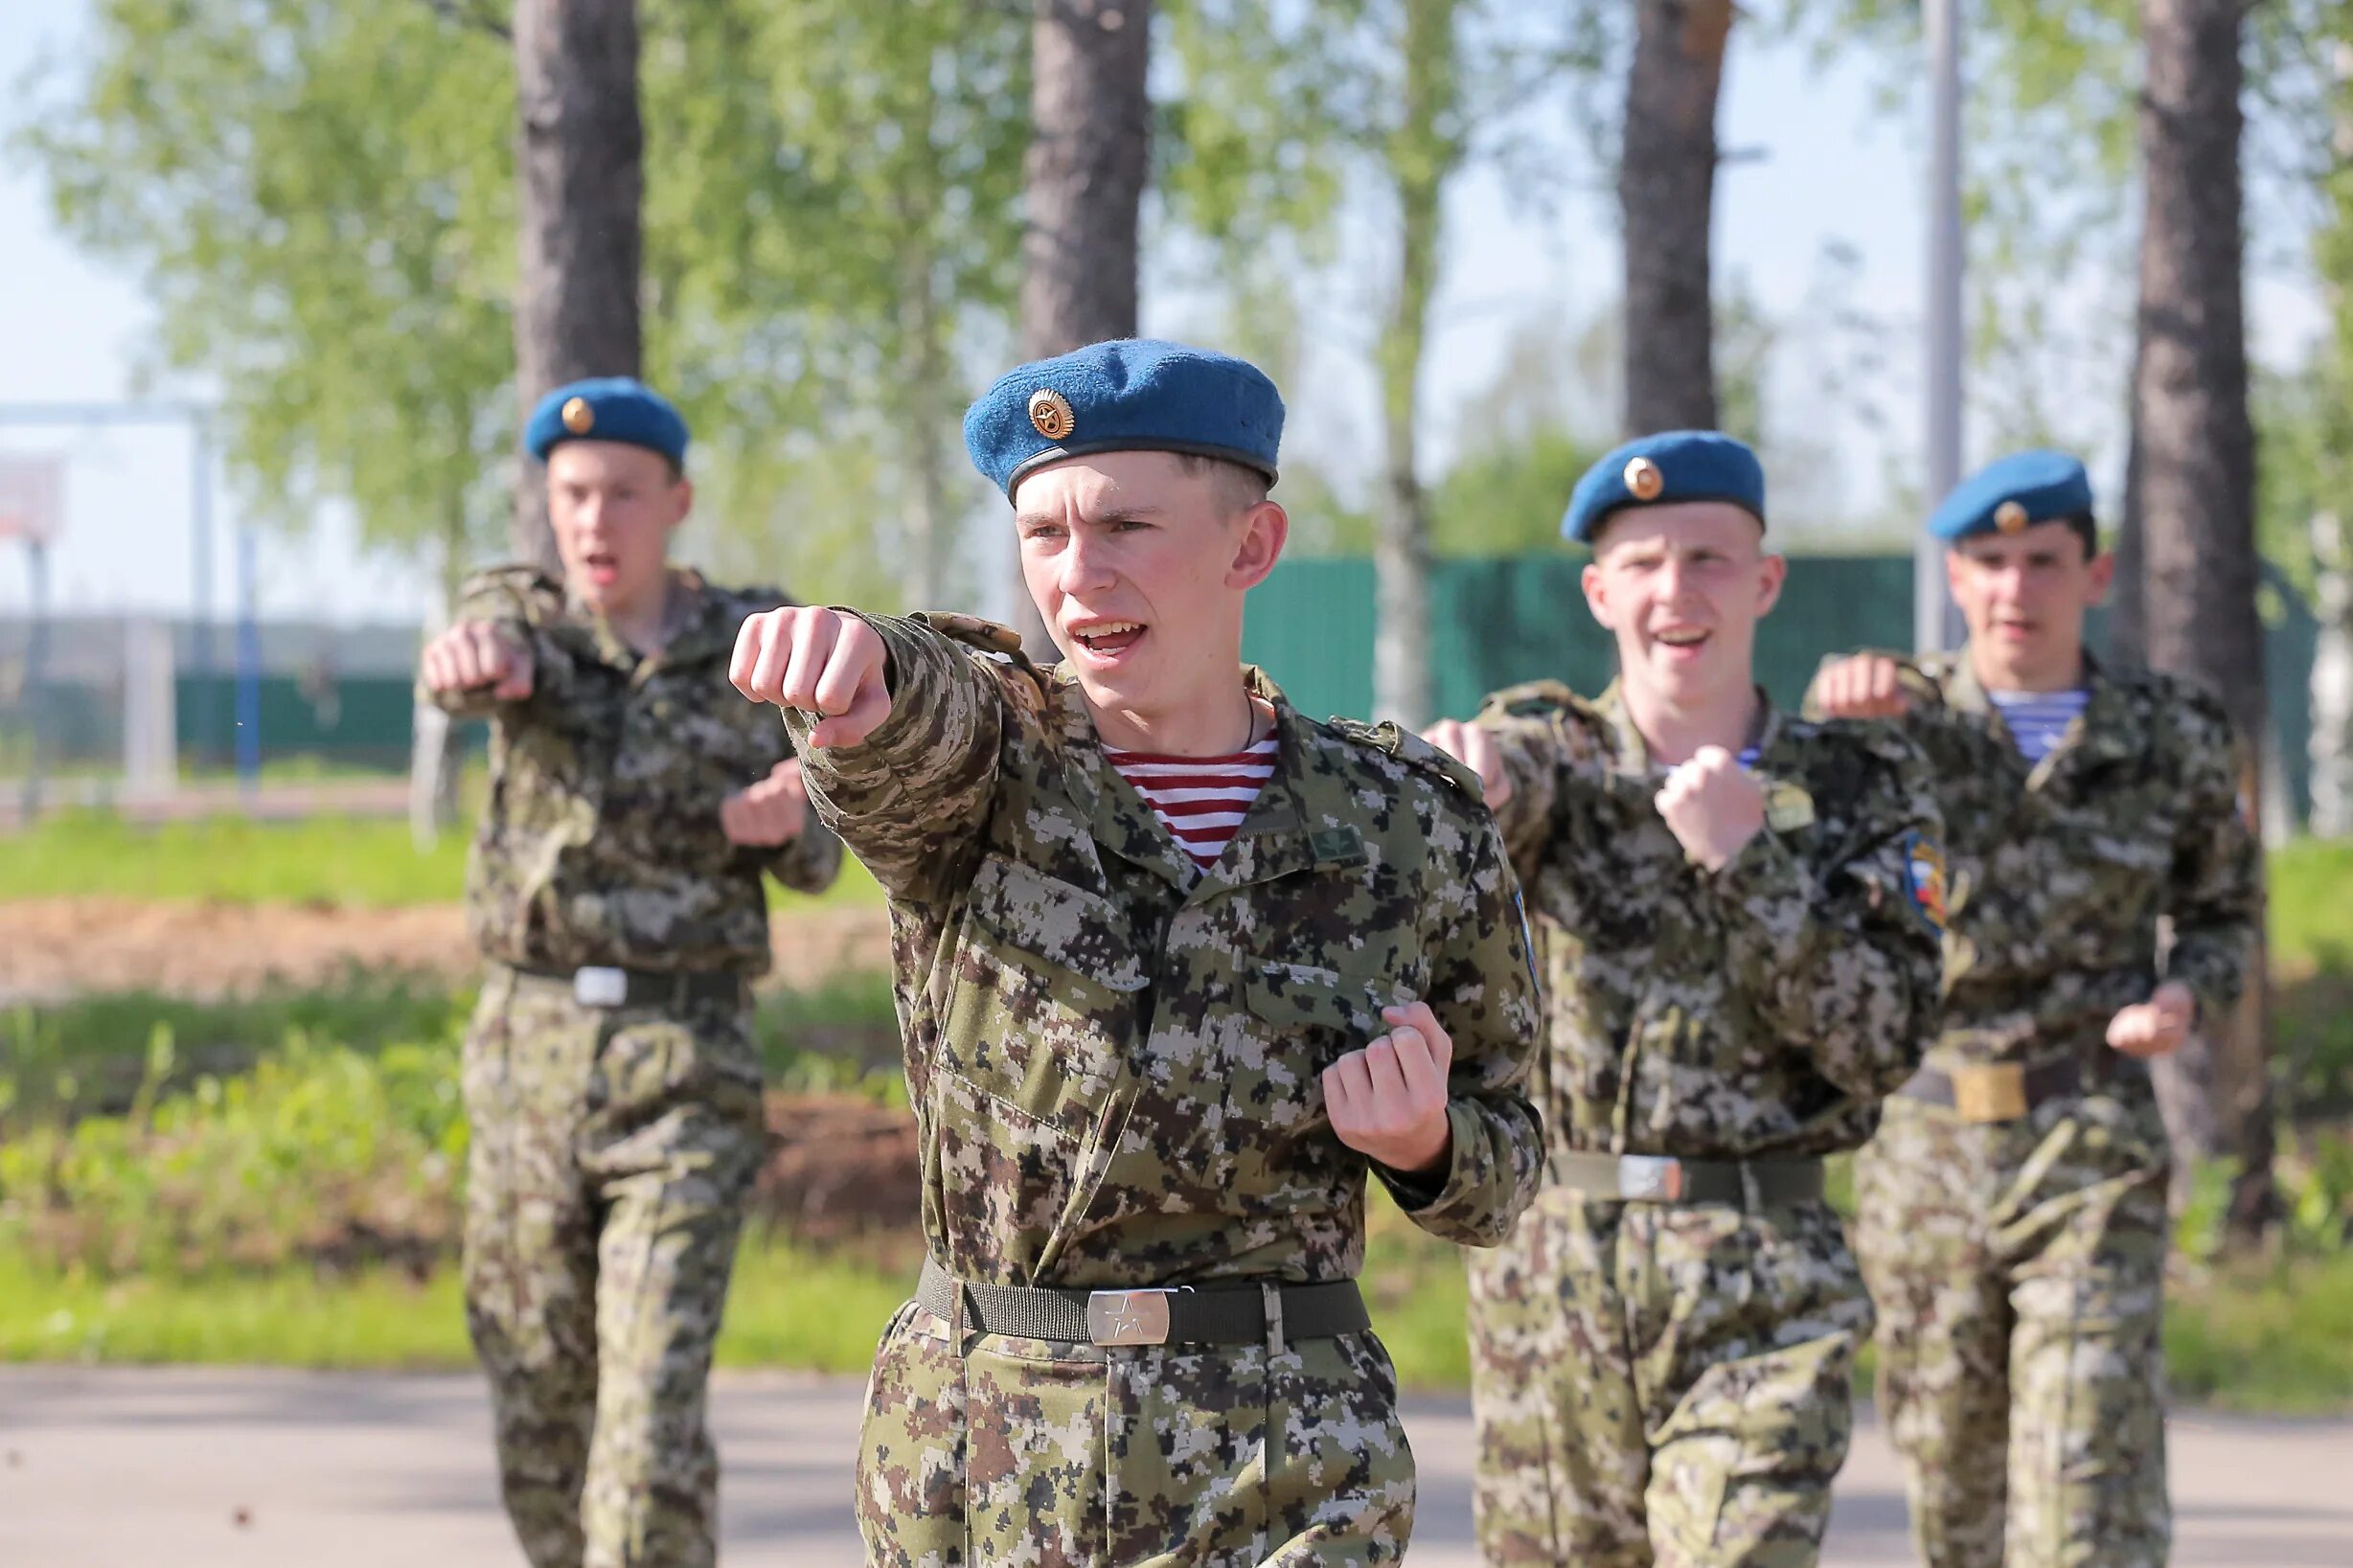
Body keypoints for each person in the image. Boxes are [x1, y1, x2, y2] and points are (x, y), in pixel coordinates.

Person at [729, 338, 1544, 1565]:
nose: (1078, 576)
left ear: (1249, 546)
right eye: (1043, 534)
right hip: (990, 1448)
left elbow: (1509, 1160)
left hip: (1290, 1450)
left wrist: (1426, 1143)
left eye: (1125, 527)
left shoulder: (1406, 818)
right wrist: (857, 667)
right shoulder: (989, 776)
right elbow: (914, 716)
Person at [1423, 430, 1948, 1566]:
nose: (1677, 591)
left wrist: (1747, 862)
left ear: (1762, 581)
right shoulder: (1556, 754)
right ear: (1599, 591)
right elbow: (1506, 779)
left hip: (1763, 1276)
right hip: (1549, 1283)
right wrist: (1474, 779)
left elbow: (1886, 1039)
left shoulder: (1860, 786)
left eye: (1708, 559)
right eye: (1645, 563)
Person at [1808, 449, 2261, 1568]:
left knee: (2082, 1488)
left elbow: (2225, 910)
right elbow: (1795, 893)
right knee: (1952, 1494)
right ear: (1954, 577)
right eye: (1988, 561)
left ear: (2093, 574)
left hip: (2088, 1135)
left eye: (2041, 562)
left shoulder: (2173, 734)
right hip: (1923, 1147)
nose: (2015, 588)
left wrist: (2183, 991)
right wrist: (1825, 727)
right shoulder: (1891, 721)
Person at [418, 375, 841, 1568]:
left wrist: (788, 823)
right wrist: (478, 660)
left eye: (618, 494)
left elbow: (825, 845)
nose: (593, 521)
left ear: (677, 502)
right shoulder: (532, 629)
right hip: (527, 1057)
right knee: (540, 1413)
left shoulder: (753, 645)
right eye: (570, 496)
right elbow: (463, 653)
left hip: (685, 1061)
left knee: (646, 1427)